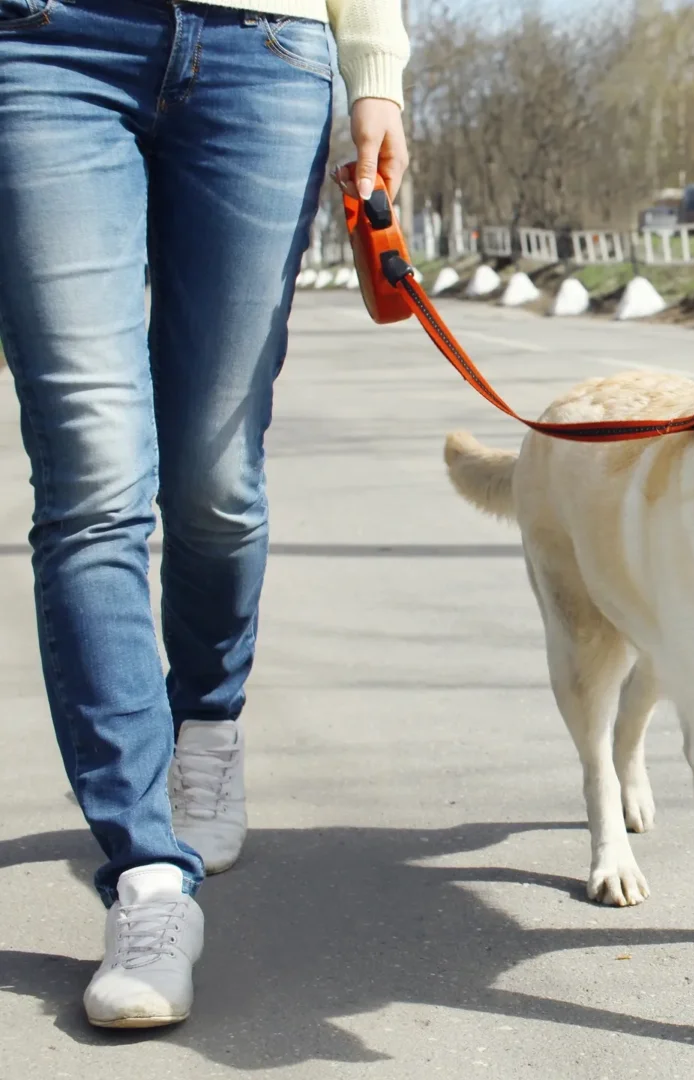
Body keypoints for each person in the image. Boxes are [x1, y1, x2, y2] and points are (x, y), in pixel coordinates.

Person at [0, 0, 409, 1029]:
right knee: (94, 476)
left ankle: (207, 722)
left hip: (262, 49)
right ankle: (147, 878)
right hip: (43, 41)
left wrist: (375, 71)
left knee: (216, 478)